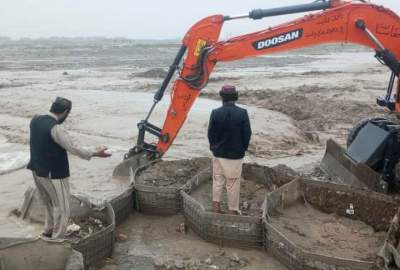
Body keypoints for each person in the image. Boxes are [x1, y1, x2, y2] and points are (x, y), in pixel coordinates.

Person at [27, 97, 112, 239]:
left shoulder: (35, 120)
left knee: (48, 203)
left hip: (36, 169)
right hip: (53, 173)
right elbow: (73, 147)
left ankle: (48, 230)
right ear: (66, 112)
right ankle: (57, 239)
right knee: (62, 206)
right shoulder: (56, 128)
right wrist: (95, 153)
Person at [207, 85, 252, 215]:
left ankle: (216, 207)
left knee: (217, 180)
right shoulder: (242, 113)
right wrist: (242, 149)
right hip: (235, 155)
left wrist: (214, 148)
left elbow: (211, 134)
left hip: (219, 153)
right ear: (235, 97)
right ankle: (232, 211)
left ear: (222, 97)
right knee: (232, 183)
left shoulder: (215, 112)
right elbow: (247, 134)